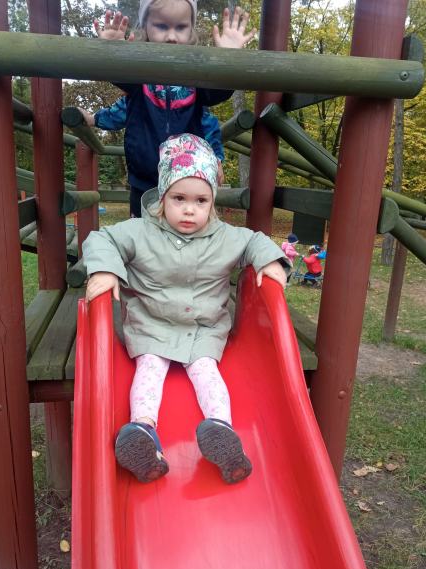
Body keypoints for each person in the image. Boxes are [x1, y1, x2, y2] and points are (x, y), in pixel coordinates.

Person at [83, 134, 291, 485]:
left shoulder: (225, 236)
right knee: (149, 369)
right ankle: (143, 431)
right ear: (163, 197)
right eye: (179, 198)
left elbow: (255, 240)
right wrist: (105, 269)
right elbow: (102, 239)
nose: (190, 209)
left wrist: (270, 261)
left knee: (207, 371)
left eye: (201, 200)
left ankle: (222, 431)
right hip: (153, 325)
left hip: (203, 328)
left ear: (213, 202)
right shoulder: (141, 232)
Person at [79, 2, 255, 216]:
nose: (171, 37)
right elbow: (122, 101)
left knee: (183, 229)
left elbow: (213, 105)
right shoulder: (138, 75)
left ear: (191, 30)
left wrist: (227, 59)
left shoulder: (197, 76)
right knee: (142, 231)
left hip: (186, 179)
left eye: (181, 27)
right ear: (145, 27)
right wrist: (113, 52)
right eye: (161, 26)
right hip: (144, 179)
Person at [82, 97, 225, 216]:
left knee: (182, 224)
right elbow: (121, 111)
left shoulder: (190, 90)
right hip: (143, 178)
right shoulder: (140, 89)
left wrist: (216, 158)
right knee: (141, 228)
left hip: (184, 178)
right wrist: (93, 119)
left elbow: (207, 123)